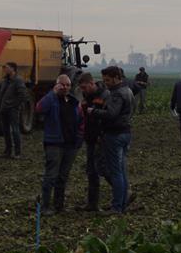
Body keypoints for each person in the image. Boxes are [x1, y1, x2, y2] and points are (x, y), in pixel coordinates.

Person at [89, 66, 133, 214]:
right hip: (126, 133)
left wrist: (94, 111)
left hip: (114, 135)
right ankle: (122, 203)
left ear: (116, 78)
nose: (105, 83)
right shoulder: (127, 91)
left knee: (116, 172)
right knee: (122, 171)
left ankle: (117, 206)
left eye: (107, 80)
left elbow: (111, 114)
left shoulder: (117, 94)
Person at [36, 74, 82, 215]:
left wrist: (79, 138)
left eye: (68, 85)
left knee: (63, 176)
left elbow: (80, 120)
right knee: (51, 175)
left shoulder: (73, 102)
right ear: (57, 85)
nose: (65, 87)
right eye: (62, 84)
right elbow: (39, 108)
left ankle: (59, 205)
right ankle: (45, 206)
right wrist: (52, 93)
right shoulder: (51, 100)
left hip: (70, 144)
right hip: (54, 143)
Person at [77, 72, 111, 212]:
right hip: (90, 137)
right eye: (81, 88)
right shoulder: (86, 96)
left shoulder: (104, 95)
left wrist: (101, 135)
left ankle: (124, 191)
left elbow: (108, 117)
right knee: (91, 171)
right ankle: (92, 203)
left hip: (101, 138)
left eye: (85, 87)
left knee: (102, 168)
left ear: (92, 83)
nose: (83, 91)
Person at [0, 62, 26, 159]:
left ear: (13, 69)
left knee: (15, 130)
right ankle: (8, 151)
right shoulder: (5, 80)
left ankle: (17, 152)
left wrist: (14, 105)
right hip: (4, 108)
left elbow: (22, 94)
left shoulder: (18, 80)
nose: (5, 69)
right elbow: (2, 94)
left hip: (12, 109)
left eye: (7, 67)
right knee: (5, 130)